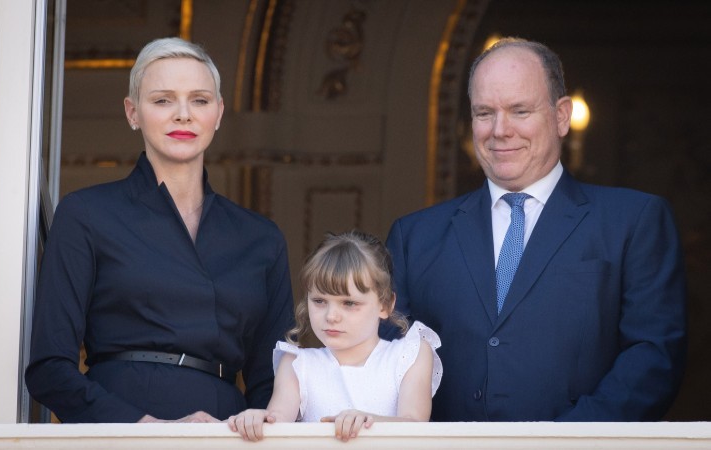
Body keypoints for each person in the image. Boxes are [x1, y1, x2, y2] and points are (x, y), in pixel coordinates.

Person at [384, 37, 686, 421]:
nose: (499, 130)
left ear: (562, 116)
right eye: (483, 113)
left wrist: (563, 442)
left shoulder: (634, 220)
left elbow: (653, 357)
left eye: (520, 110)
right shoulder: (414, 237)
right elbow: (381, 359)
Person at [25, 37, 294, 423]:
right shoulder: (86, 214)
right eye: (163, 100)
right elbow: (50, 370)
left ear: (218, 113)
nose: (183, 114)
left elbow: (274, 383)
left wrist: (253, 429)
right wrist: (147, 432)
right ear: (133, 113)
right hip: (122, 435)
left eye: (199, 100)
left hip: (227, 437)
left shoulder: (260, 238)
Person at [227, 231, 442, 441]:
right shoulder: (296, 364)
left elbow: (415, 423)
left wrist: (370, 422)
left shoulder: (410, 355)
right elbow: (277, 422)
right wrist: (257, 419)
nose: (331, 316)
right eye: (319, 301)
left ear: (385, 305)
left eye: (349, 303)